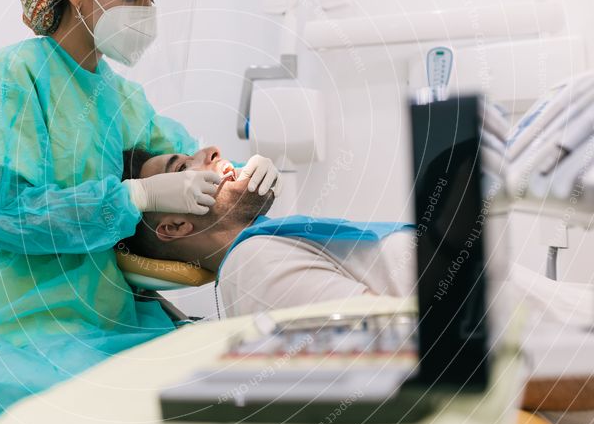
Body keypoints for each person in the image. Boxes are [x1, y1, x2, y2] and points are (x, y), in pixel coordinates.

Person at [0, 0, 281, 424]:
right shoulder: (12, 78)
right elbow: (5, 214)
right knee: (110, 415)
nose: (145, 11)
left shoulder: (119, 95)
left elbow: (187, 153)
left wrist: (247, 171)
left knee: (210, 386)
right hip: (16, 316)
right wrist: (135, 197)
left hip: (107, 306)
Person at [120, 146, 594, 325]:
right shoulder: (251, 267)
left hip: (562, 318)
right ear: (175, 226)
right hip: (553, 346)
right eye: (182, 168)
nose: (210, 150)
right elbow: (392, 346)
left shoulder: (271, 242)